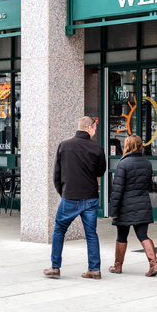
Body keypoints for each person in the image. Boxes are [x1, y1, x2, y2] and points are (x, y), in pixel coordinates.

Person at [44, 116, 107, 280]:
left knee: (59, 230)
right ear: (90, 129)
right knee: (91, 233)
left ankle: (55, 268)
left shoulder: (64, 146)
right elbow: (101, 172)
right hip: (91, 197)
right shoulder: (97, 148)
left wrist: (63, 192)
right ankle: (94, 269)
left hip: (70, 197)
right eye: (94, 129)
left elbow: (56, 174)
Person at [108, 134, 157, 277]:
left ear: (127, 146)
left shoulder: (123, 164)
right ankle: (154, 264)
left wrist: (113, 210)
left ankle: (117, 266)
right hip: (143, 203)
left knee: (121, 236)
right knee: (143, 235)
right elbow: (148, 185)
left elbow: (117, 190)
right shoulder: (147, 163)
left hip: (125, 206)